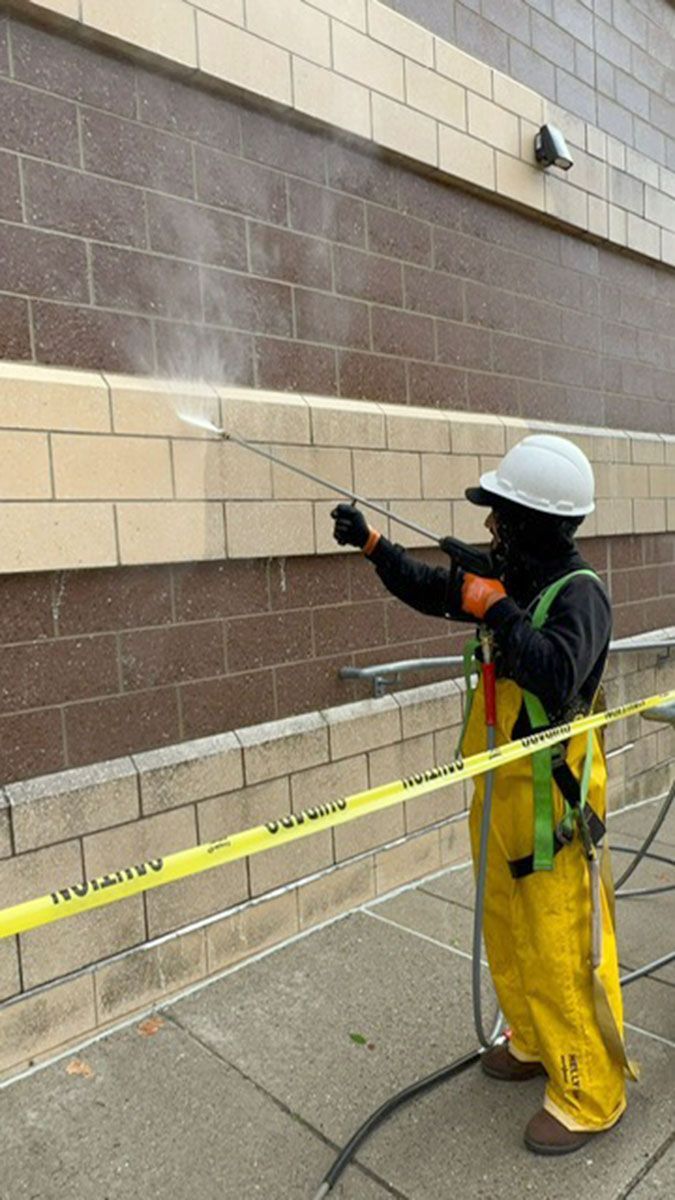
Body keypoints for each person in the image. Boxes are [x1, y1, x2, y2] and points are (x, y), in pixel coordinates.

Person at [332, 434, 632, 1155]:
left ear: (534, 520)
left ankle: (589, 1092)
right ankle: (530, 1043)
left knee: (558, 948)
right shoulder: (512, 577)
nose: (490, 528)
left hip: (550, 815)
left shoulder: (578, 596)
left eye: (500, 515)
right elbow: (435, 591)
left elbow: (555, 675)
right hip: (499, 801)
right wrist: (376, 548)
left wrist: (497, 610)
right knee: (507, 934)